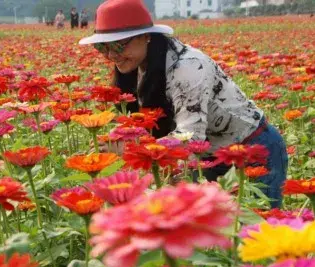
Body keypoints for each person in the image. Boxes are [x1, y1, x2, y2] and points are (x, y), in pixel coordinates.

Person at [79, 0, 288, 207]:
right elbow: (154, 124)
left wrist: (131, 148)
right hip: (205, 158)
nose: (111, 55)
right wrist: (121, 137)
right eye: (102, 47)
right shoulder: (138, 65)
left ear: (146, 36)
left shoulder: (188, 67)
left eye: (118, 45)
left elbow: (190, 138)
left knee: (256, 228)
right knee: (206, 234)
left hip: (252, 150)